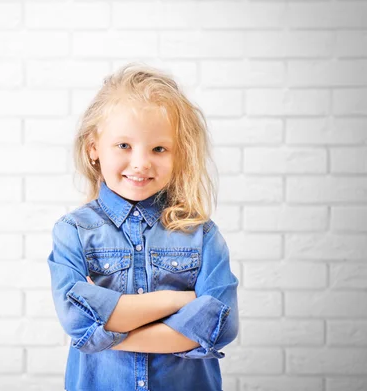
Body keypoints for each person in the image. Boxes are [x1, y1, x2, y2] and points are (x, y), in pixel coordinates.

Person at [47, 62, 239, 391]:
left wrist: (106, 330)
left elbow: (219, 326)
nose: (141, 162)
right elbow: (77, 321)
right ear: (94, 147)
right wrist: (178, 301)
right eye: (124, 145)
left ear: (179, 155)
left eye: (159, 148)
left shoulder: (201, 233)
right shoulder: (74, 232)